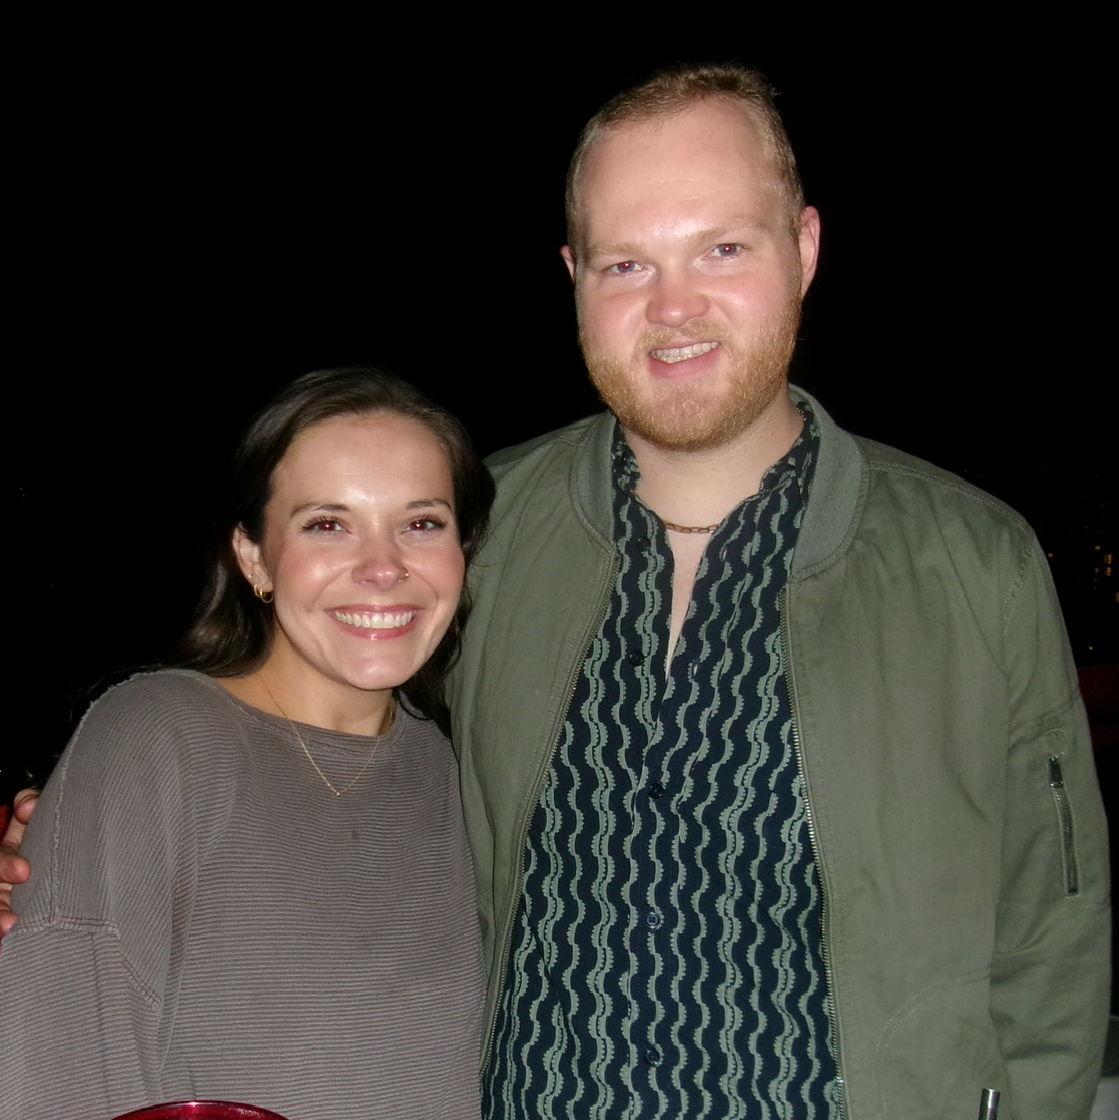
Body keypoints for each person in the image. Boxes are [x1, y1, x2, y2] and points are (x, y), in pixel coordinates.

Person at [3, 64, 1111, 1120]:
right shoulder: (488, 537)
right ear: (575, 276)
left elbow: (1053, 942)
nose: (674, 306)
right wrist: (78, 841)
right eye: (627, 264)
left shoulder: (973, 565)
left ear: (805, 247)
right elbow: (319, 731)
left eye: (722, 247)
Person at [0, 367, 494, 1119]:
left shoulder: (460, 766)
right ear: (254, 556)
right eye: (326, 524)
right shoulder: (156, 736)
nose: (383, 568)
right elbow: (53, 1066)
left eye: (421, 523)